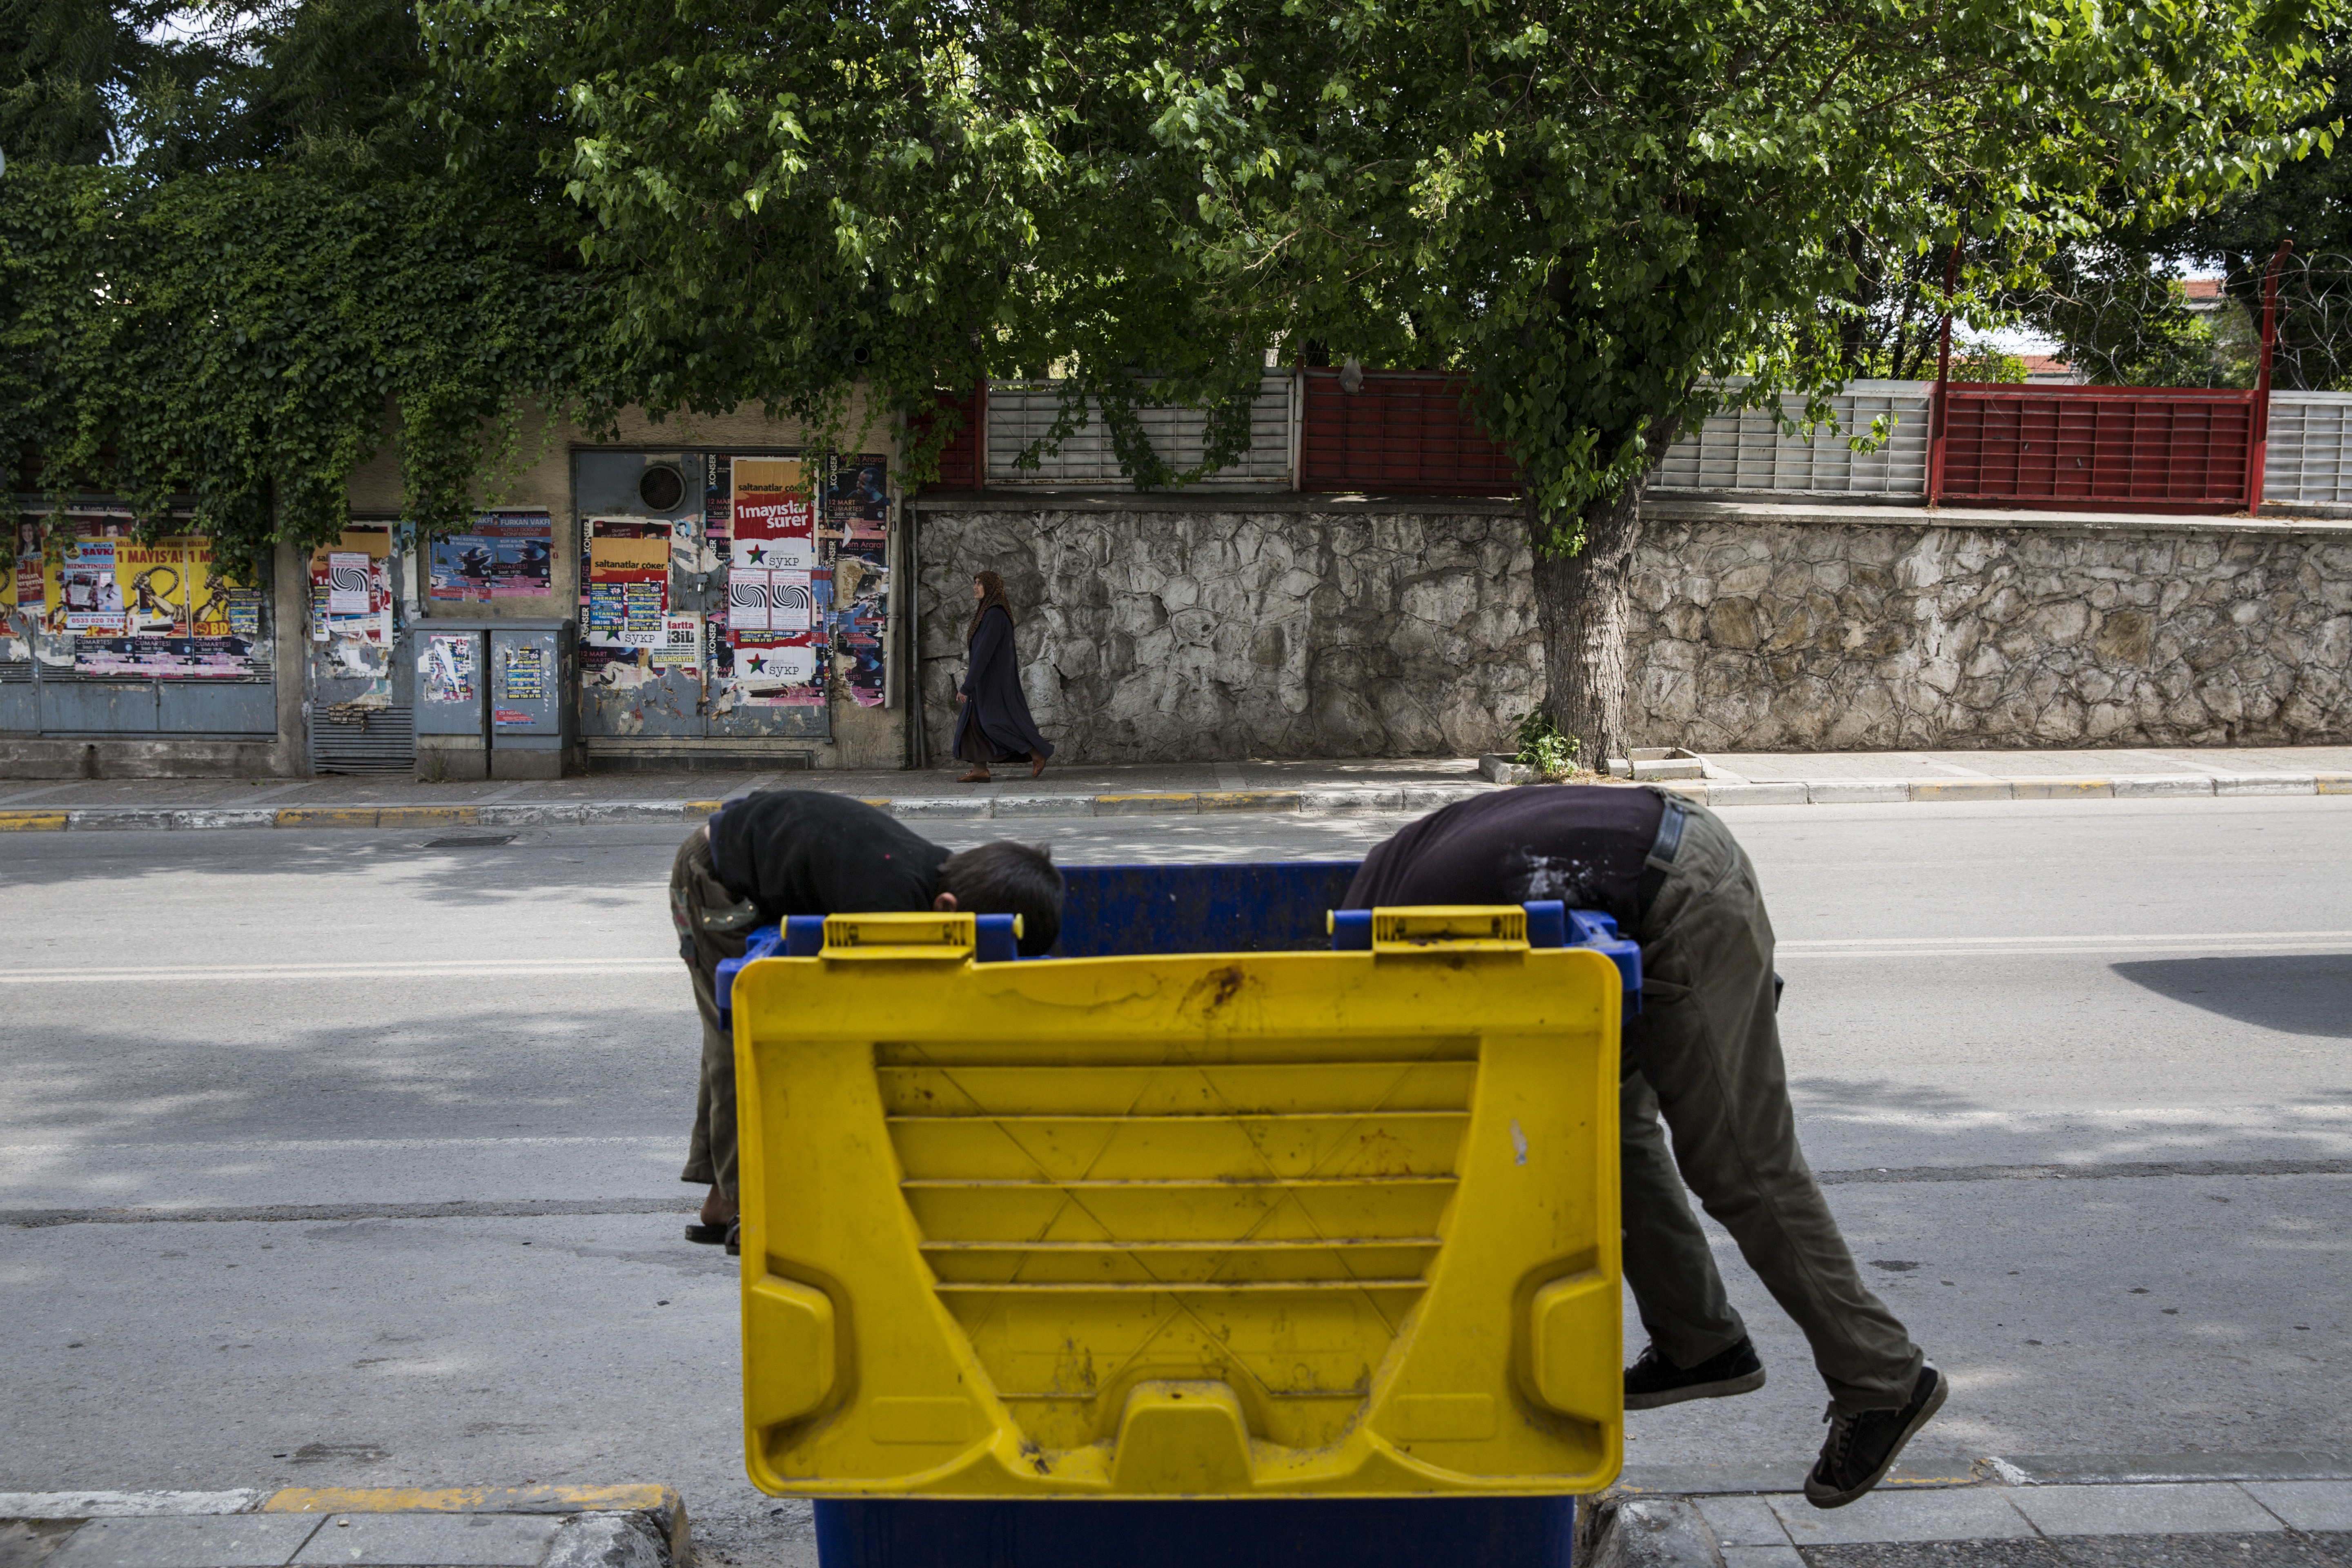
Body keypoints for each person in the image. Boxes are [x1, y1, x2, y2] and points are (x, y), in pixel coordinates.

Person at [1341, 785, 1944, 1510]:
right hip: (1638, 885)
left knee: (1742, 1164)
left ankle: (1883, 1378)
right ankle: (1700, 1342)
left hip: (1678, 898)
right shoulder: (1389, 877)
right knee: (1608, 1131)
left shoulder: (1392, 938)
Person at [669, 791, 1065, 1253]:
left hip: (760, 857)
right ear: (947, 910)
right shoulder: (886, 903)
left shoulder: (941, 874)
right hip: (714, 877)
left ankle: (723, 1198)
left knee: (731, 1033)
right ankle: (744, 1204)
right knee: (739, 1036)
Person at [953, 570, 1055, 783]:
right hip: (984, 681)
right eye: (976, 582)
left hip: (993, 682)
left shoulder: (995, 614)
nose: (976, 586)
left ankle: (1036, 754)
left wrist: (967, 686)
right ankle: (980, 769)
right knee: (972, 723)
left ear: (991, 588)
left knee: (992, 724)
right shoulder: (987, 612)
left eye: (980, 583)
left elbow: (983, 654)